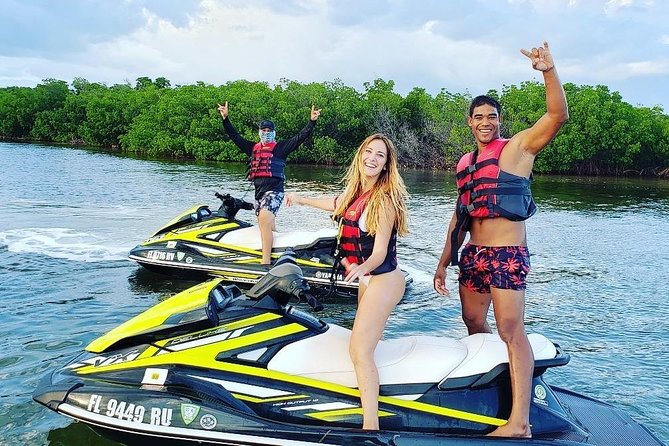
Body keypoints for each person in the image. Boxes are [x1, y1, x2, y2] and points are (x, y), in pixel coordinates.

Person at [433, 41, 569, 438]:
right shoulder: (465, 163)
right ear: (469, 122)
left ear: (499, 121)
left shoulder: (517, 149)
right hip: (472, 255)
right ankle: (491, 388)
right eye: (478, 117)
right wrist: (443, 261)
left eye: (491, 116)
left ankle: (520, 422)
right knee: (473, 321)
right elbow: (460, 215)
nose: (485, 122)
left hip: (506, 254)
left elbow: (557, 115)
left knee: (511, 330)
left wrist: (548, 70)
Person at [285, 133, 409, 430]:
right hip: (367, 279)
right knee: (366, 341)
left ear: (386, 165)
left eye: (380, 155)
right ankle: (376, 392)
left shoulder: (383, 201)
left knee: (359, 350)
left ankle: (371, 427)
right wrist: (299, 199)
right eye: (369, 151)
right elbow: (334, 203)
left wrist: (360, 268)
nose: (372, 158)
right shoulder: (355, 192)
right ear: (360, 155)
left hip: (385, 279)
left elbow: (380, 253)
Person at [217, 102, 321, 264]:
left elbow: (299, 137)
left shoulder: (281, 148)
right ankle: (276, 254)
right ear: (259, 132)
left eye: (269, 131)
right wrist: (225, 119)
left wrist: (311, 122)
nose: (266, 133)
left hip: (274, 191)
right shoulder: (252, 148)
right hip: (259, 193)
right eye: (264, 131)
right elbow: (235, 136)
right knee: (267, 225)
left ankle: (265, 262)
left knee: (264, 219)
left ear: (274, 133)